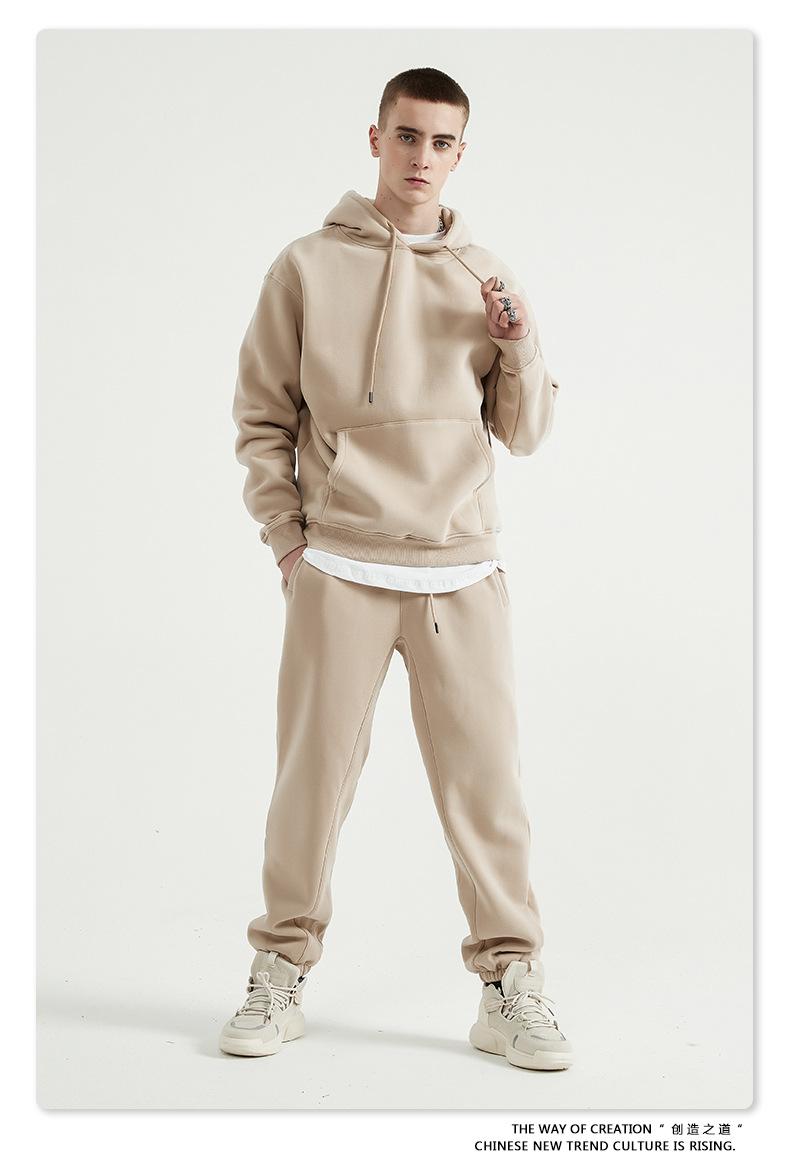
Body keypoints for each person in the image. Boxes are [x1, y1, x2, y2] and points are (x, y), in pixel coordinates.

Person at [219, 67, 573, 1072]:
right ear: (375, 138)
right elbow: (262, 417)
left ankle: (509, 984)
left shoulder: (484, 274)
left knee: (487, 790)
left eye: (441, 142)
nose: (422, 157)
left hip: (460, 567)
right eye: (407, 136)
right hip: (340, 564)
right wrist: (288, 540)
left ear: (461, 153)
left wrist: (517, 344)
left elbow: (525, 432)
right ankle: (279, 969)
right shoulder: (305, 265)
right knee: (311, 783)